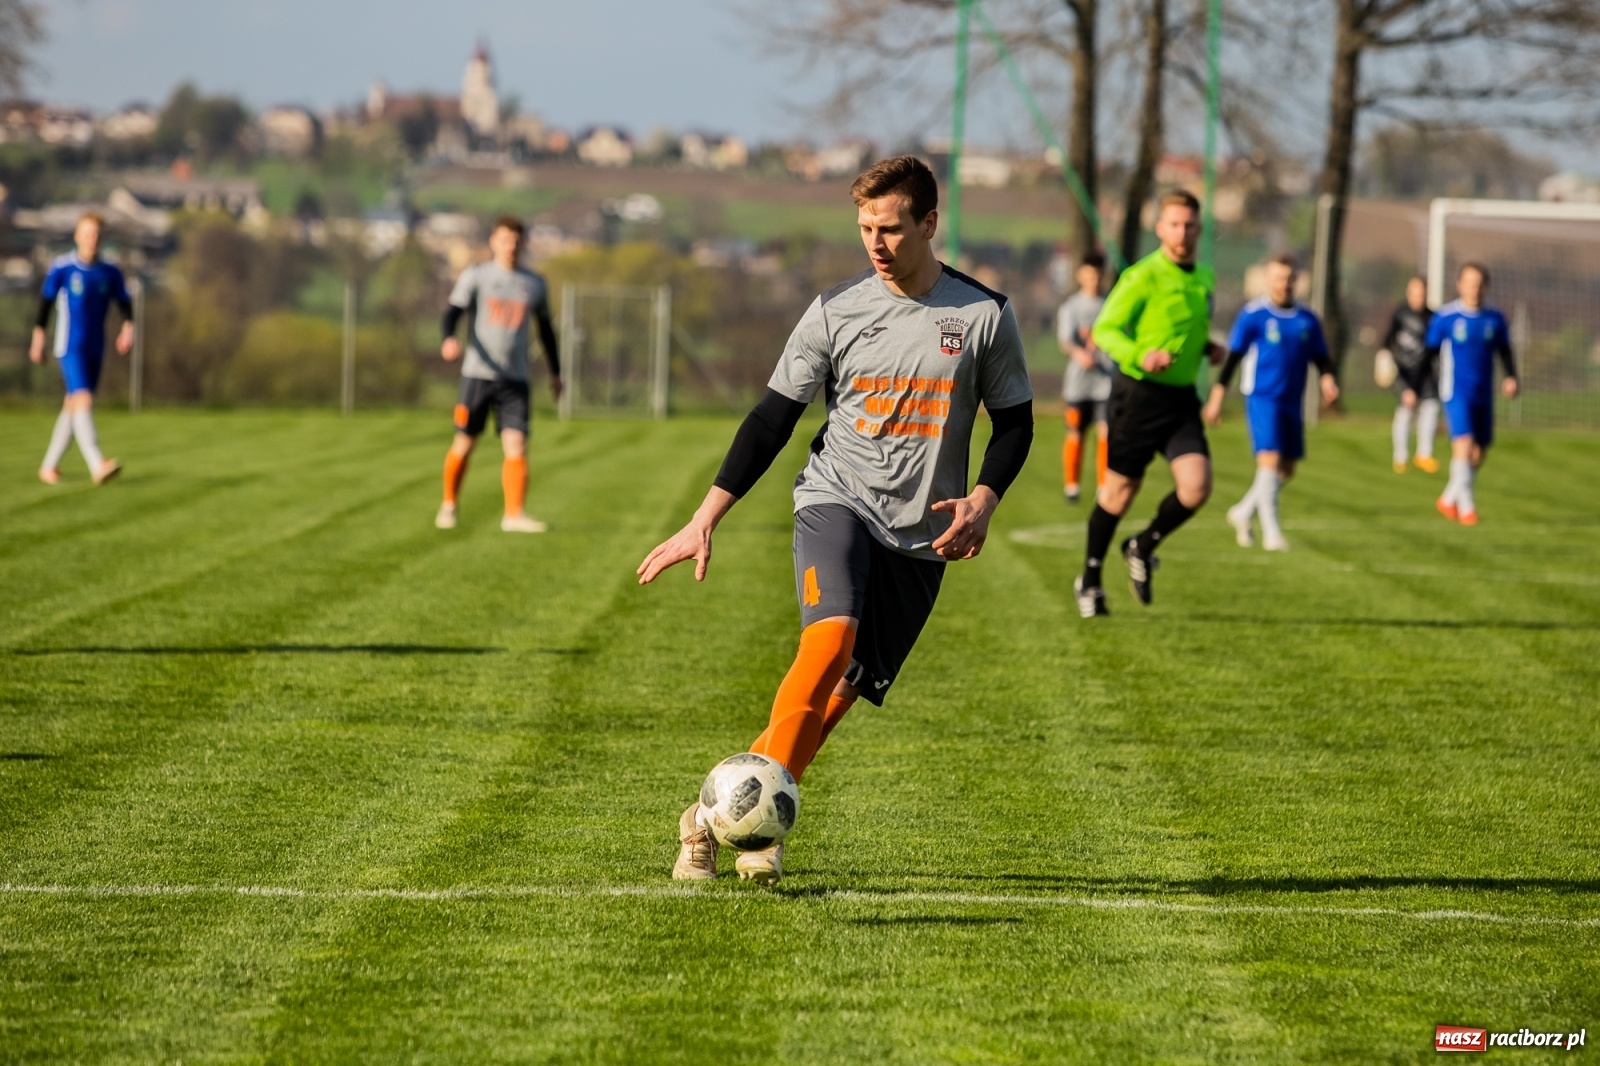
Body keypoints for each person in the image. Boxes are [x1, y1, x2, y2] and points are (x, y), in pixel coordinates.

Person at [638, 156, 1033, 885]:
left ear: (928, 224)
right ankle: (762, 836)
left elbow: (1015, 424)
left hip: (923, 541)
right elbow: (771, 420)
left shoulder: (981, 315)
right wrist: (705, 517)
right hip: (837, 500)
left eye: (889, 228)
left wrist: (985, 497)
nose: (875, 243)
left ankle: (706, 817)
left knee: (837, 699)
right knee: (828, 643)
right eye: (864, 229)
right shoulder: (834, 310)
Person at [1074, 190, 1223, 618]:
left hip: (1180, 400)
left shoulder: (1204, 277)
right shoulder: (1142, 276)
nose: (1183, 232)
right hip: (1137, 398)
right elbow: (1105, 330)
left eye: (1190, 224)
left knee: (1197, 487)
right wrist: (1143, 355)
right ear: (1160, 228)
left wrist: (1207, 348)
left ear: (1199, 228)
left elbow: (1184, 328)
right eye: (1174, 224)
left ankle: (1142, 545)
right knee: (1119, 494)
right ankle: (1090, 578)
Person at [1203, 254, 1339, 552]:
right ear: (1268, 280)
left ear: (1297, 281)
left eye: (1289, 278)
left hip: (1293, 401)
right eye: (1278, 278)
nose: (1284, 284)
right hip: (1262, 398)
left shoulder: (1307, 319)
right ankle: (1272, 532)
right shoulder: (1254, 315)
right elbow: (1233, 358)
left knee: (1286, 470)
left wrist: (1327, 378)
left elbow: (1321, 356)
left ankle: (1243, 511)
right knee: (1270, 460)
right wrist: (1216, 398)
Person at [436, 215, 563, 533]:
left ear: (524, 244)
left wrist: (556, 373)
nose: (512, 247)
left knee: (517, 445)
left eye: (517, 241)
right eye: (505, 240)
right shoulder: (477, 276)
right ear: (494, 241)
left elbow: (546, 330)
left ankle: (514, 514)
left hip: (515, 380)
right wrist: (449, 338)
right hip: (477, 376)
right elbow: (453, 312)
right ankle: (449, 504)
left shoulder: (534, 284)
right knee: (464, 443)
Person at [31, 212, 135, 486]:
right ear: (77, 236)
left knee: (73, 405)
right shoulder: (63, 268)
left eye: (97, 234)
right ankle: (96, 462)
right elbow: (45, 304)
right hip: (70, 345)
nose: (92, 238)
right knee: (84, 399)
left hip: (95, 346)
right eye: (87, 233)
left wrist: (128, 328)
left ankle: (48, 466)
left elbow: (124, 303)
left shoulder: (109, 271)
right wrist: (38, 338)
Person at [1424, 263, 1518, 526]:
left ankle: (1449, 499)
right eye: (1469, 282)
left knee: (1478, 454)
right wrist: (1419, 387)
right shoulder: (1445, 317)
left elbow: (1505, 351)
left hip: (1484, 393)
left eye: (1478, 283)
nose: (1474, 288)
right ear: (1459, 284)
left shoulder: (1494, 318)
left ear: (1485, 286)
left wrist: (1511, 377)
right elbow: (1428, 354)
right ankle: (1465, 507)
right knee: (1463, 447)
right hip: (1455, 392)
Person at [1057, 250, 1113, 504]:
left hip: (1105, 384)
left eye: (1098, 275)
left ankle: (1104, 486)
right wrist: (1080, 354)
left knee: (1106, 433)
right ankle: (1072, 485)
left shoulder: (1111, 305)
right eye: (1090, 275)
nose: (1094, 280)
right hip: (1078, 386)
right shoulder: (1071, 307)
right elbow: (1066, 340)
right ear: (1081, 275)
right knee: (1076, 433)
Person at [1379, 276, 1438, 473]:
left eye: (1421, 293)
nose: (1418, 297)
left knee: (1430, 407)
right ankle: (1400, 457)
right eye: (1414, 293)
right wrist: (1383, 355)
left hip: (1425, 371)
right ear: (1408, 293)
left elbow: (1433, 351)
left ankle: (1424, 454)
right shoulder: (1400, 314)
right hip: (1403, 371)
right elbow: (1388, 338)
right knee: (1405, 412)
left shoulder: (1432, 318)